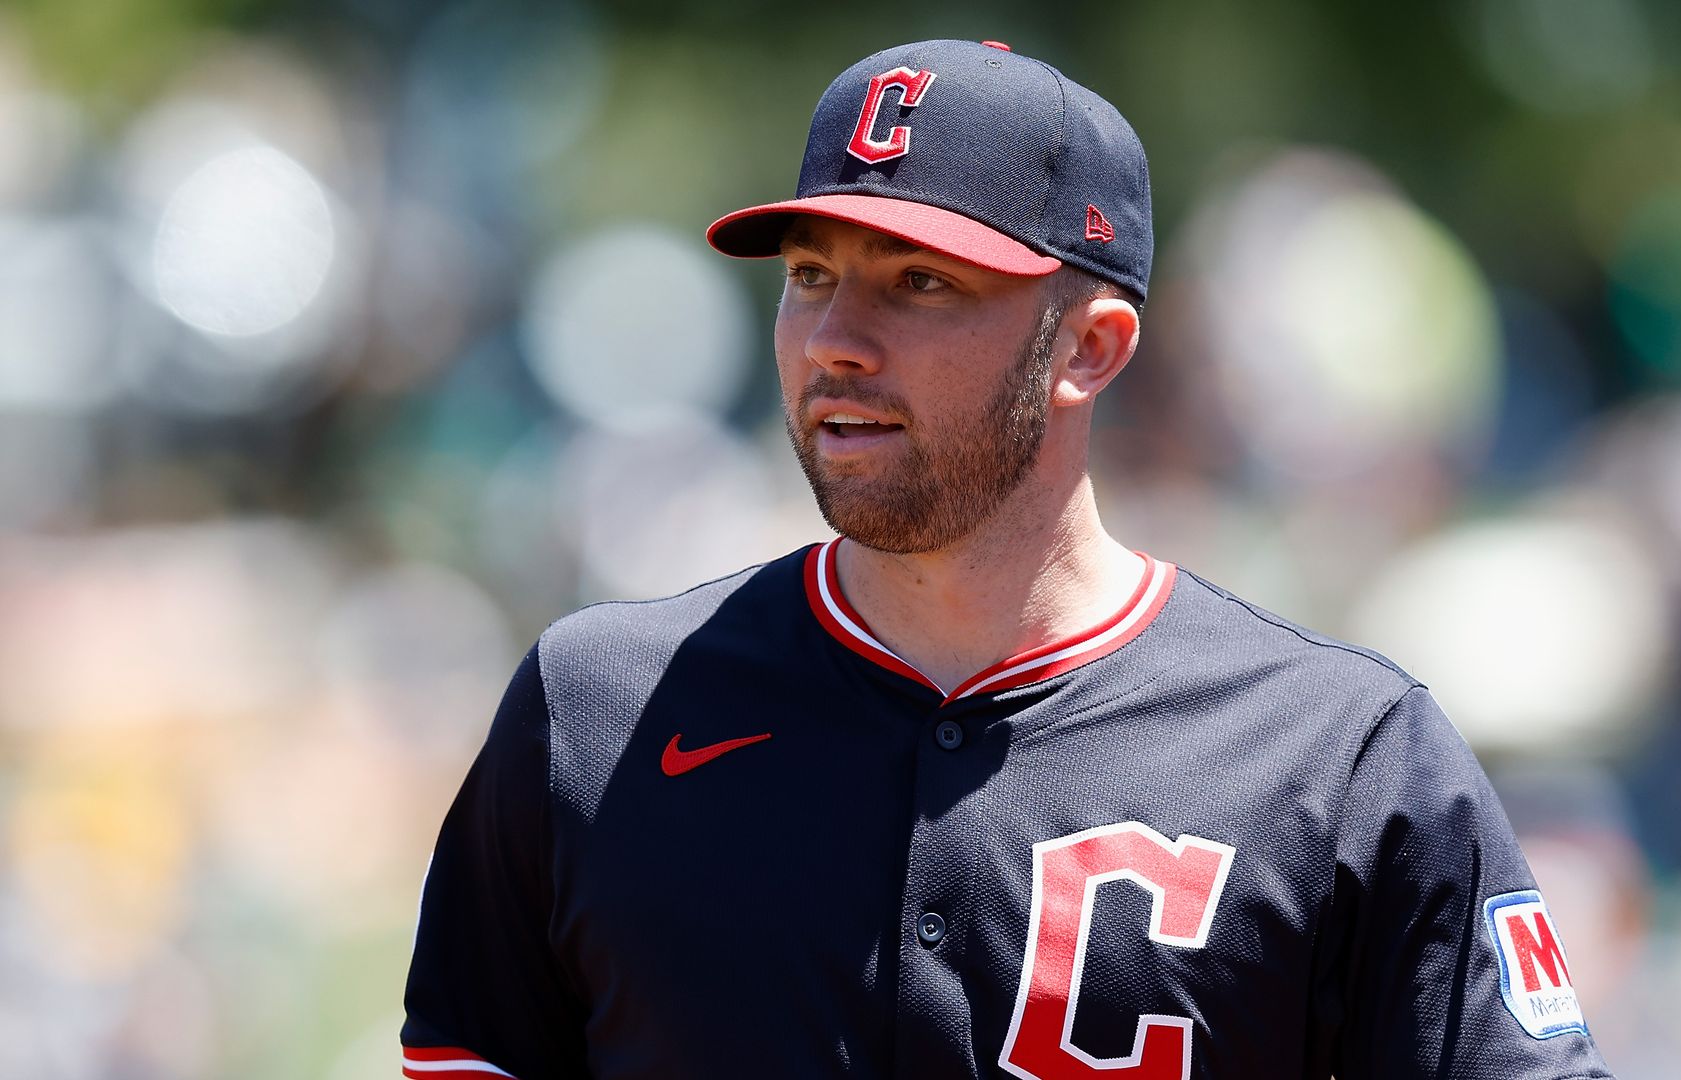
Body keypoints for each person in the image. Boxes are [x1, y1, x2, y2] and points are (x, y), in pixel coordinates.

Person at [400, 38, 1615, 1080]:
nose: (836, 341)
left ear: (1089, 347)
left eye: (920, 283)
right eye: (812, 277)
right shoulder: (596, 711)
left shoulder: (1342, 755)